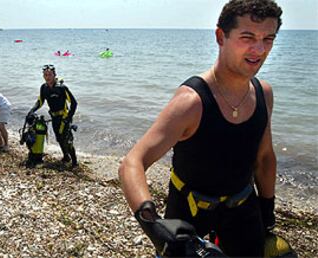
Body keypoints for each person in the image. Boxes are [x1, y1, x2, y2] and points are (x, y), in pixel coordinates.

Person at [118, 0, 282, 257]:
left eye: (268, 39)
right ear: (220, 36)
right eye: (247, 36)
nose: (259, 49)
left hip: (243, 205)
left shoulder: (264, 93)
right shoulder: (191, 102)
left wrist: (267, 211)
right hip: (188, 208)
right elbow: (132, 163)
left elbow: (264, 158)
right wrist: (153, 225)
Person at [28, 64, 78, 167]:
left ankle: (74, 162)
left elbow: (74, 103)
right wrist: (32, 111)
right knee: (59, 138)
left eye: (49, 75)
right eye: (45, 75)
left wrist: (68, 118)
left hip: (64, 117)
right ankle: (66, 157)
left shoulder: (61, 88)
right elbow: (40, 102)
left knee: (66, 139)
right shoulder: (44, 88)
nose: (47, 77)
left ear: (54, 75)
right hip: (54, 117)